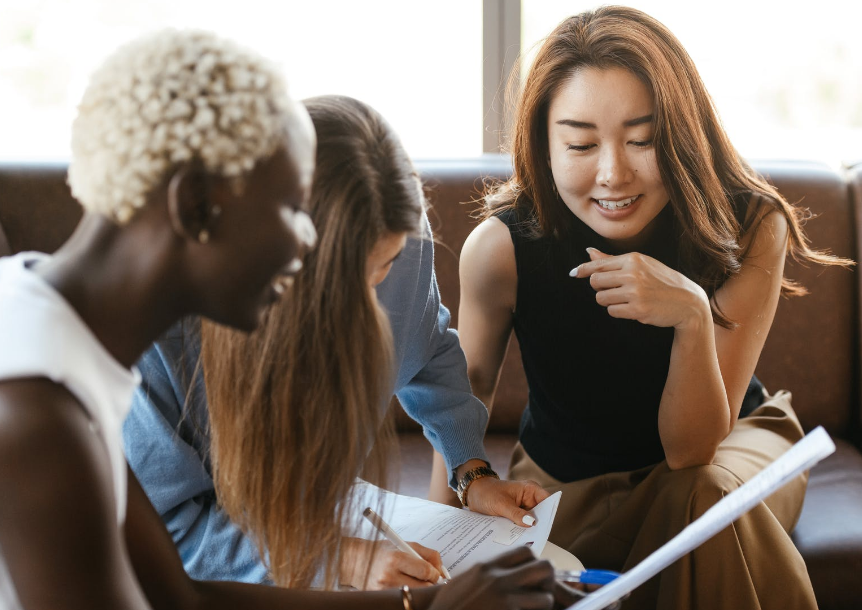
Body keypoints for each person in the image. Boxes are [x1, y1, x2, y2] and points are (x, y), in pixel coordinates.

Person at [0, 29, 567, 610]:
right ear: (196, 206)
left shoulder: (68, 343)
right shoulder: (32, 409)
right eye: (292, 205)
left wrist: (423, 605)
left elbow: (178, 595)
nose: (305, 241)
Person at [456, 6, 851, 610]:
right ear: (544, 144)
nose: (613, 173)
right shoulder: (501, 248)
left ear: (682, 134)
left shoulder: (749, 226)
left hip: (729, 449)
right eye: (581, 144)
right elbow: (464, 390)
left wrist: (692, 316)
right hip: (565, 477)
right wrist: (443, 537)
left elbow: (692, 452)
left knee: (699, 499)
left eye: (643, 140)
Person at [124, 94, 550, 589]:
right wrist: (341, 560)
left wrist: (472, 473)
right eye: (347, 280)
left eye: (385, 266)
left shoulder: (403, 242)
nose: (372, 304)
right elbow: (167, 532)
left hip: (326, 518)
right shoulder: (161, 329)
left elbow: (428, 350)